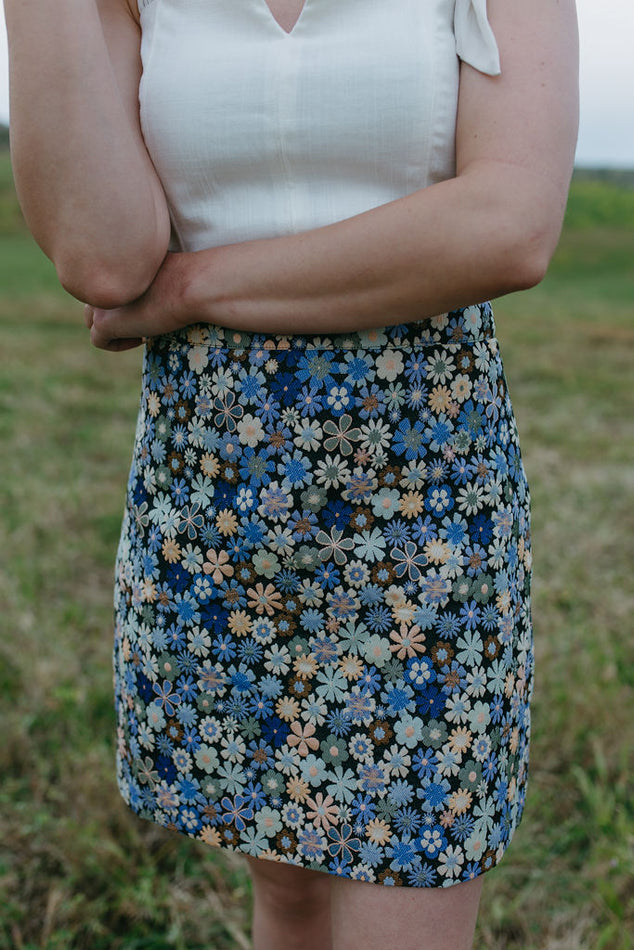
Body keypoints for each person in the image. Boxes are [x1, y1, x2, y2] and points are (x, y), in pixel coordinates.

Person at [5, 0, 579, 946]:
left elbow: (510, 224)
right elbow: (104, 256)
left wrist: (191, 287)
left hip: (422, 494)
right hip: (211, 498)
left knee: (412, 867)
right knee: (289, 892)